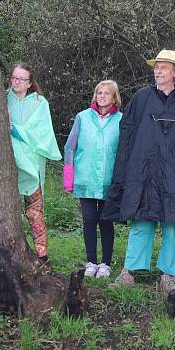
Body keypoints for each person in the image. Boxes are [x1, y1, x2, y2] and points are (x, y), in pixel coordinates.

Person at [104, 50, 175, 303]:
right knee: (141, 220)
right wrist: (128, 170)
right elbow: (128, 137)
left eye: (164, 67)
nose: (158, 71)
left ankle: (168, 275)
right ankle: (130, 271)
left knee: (171, 224)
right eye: (157, 67)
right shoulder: (141, 99)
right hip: (144, 172)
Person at [0, 63, 61, 261]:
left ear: (30, 83)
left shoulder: (40, 102)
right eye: (14, 78)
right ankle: (0, 250)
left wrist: (15, 129)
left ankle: (41, 254)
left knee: (34, 210)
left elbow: (42, 133)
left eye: (21, 79)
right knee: (0, 205)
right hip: (4, 161)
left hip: (30, 162)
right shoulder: (2, 97)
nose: (16, 82)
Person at [63, 80, 123, 278]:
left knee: (106, 220)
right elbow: (70, 146)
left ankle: (105, 263)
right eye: (99, 92)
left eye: (107, 93)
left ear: (114, 97)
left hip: (109, 180)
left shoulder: (121, 120)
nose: (102, 96)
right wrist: (68, 177)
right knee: (89, 219)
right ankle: (91, 261)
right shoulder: (83, 117)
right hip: (85, 177)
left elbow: (125, 151)